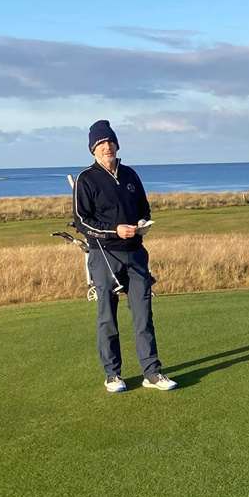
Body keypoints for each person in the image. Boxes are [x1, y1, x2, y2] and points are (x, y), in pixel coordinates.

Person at [72, 120, 176, 394]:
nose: (106, 147)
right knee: (107, 317)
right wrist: (113, 230)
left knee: (143, 315)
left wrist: (141, 224)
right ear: (93, 149)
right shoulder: (86, 179)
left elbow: (145, 209)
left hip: (136, 254)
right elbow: (82, 221)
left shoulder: (130, 175)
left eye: (109, 142)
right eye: (100, 144)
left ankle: (151, 372)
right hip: (104, 255)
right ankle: (113, 374)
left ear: (116, 145)